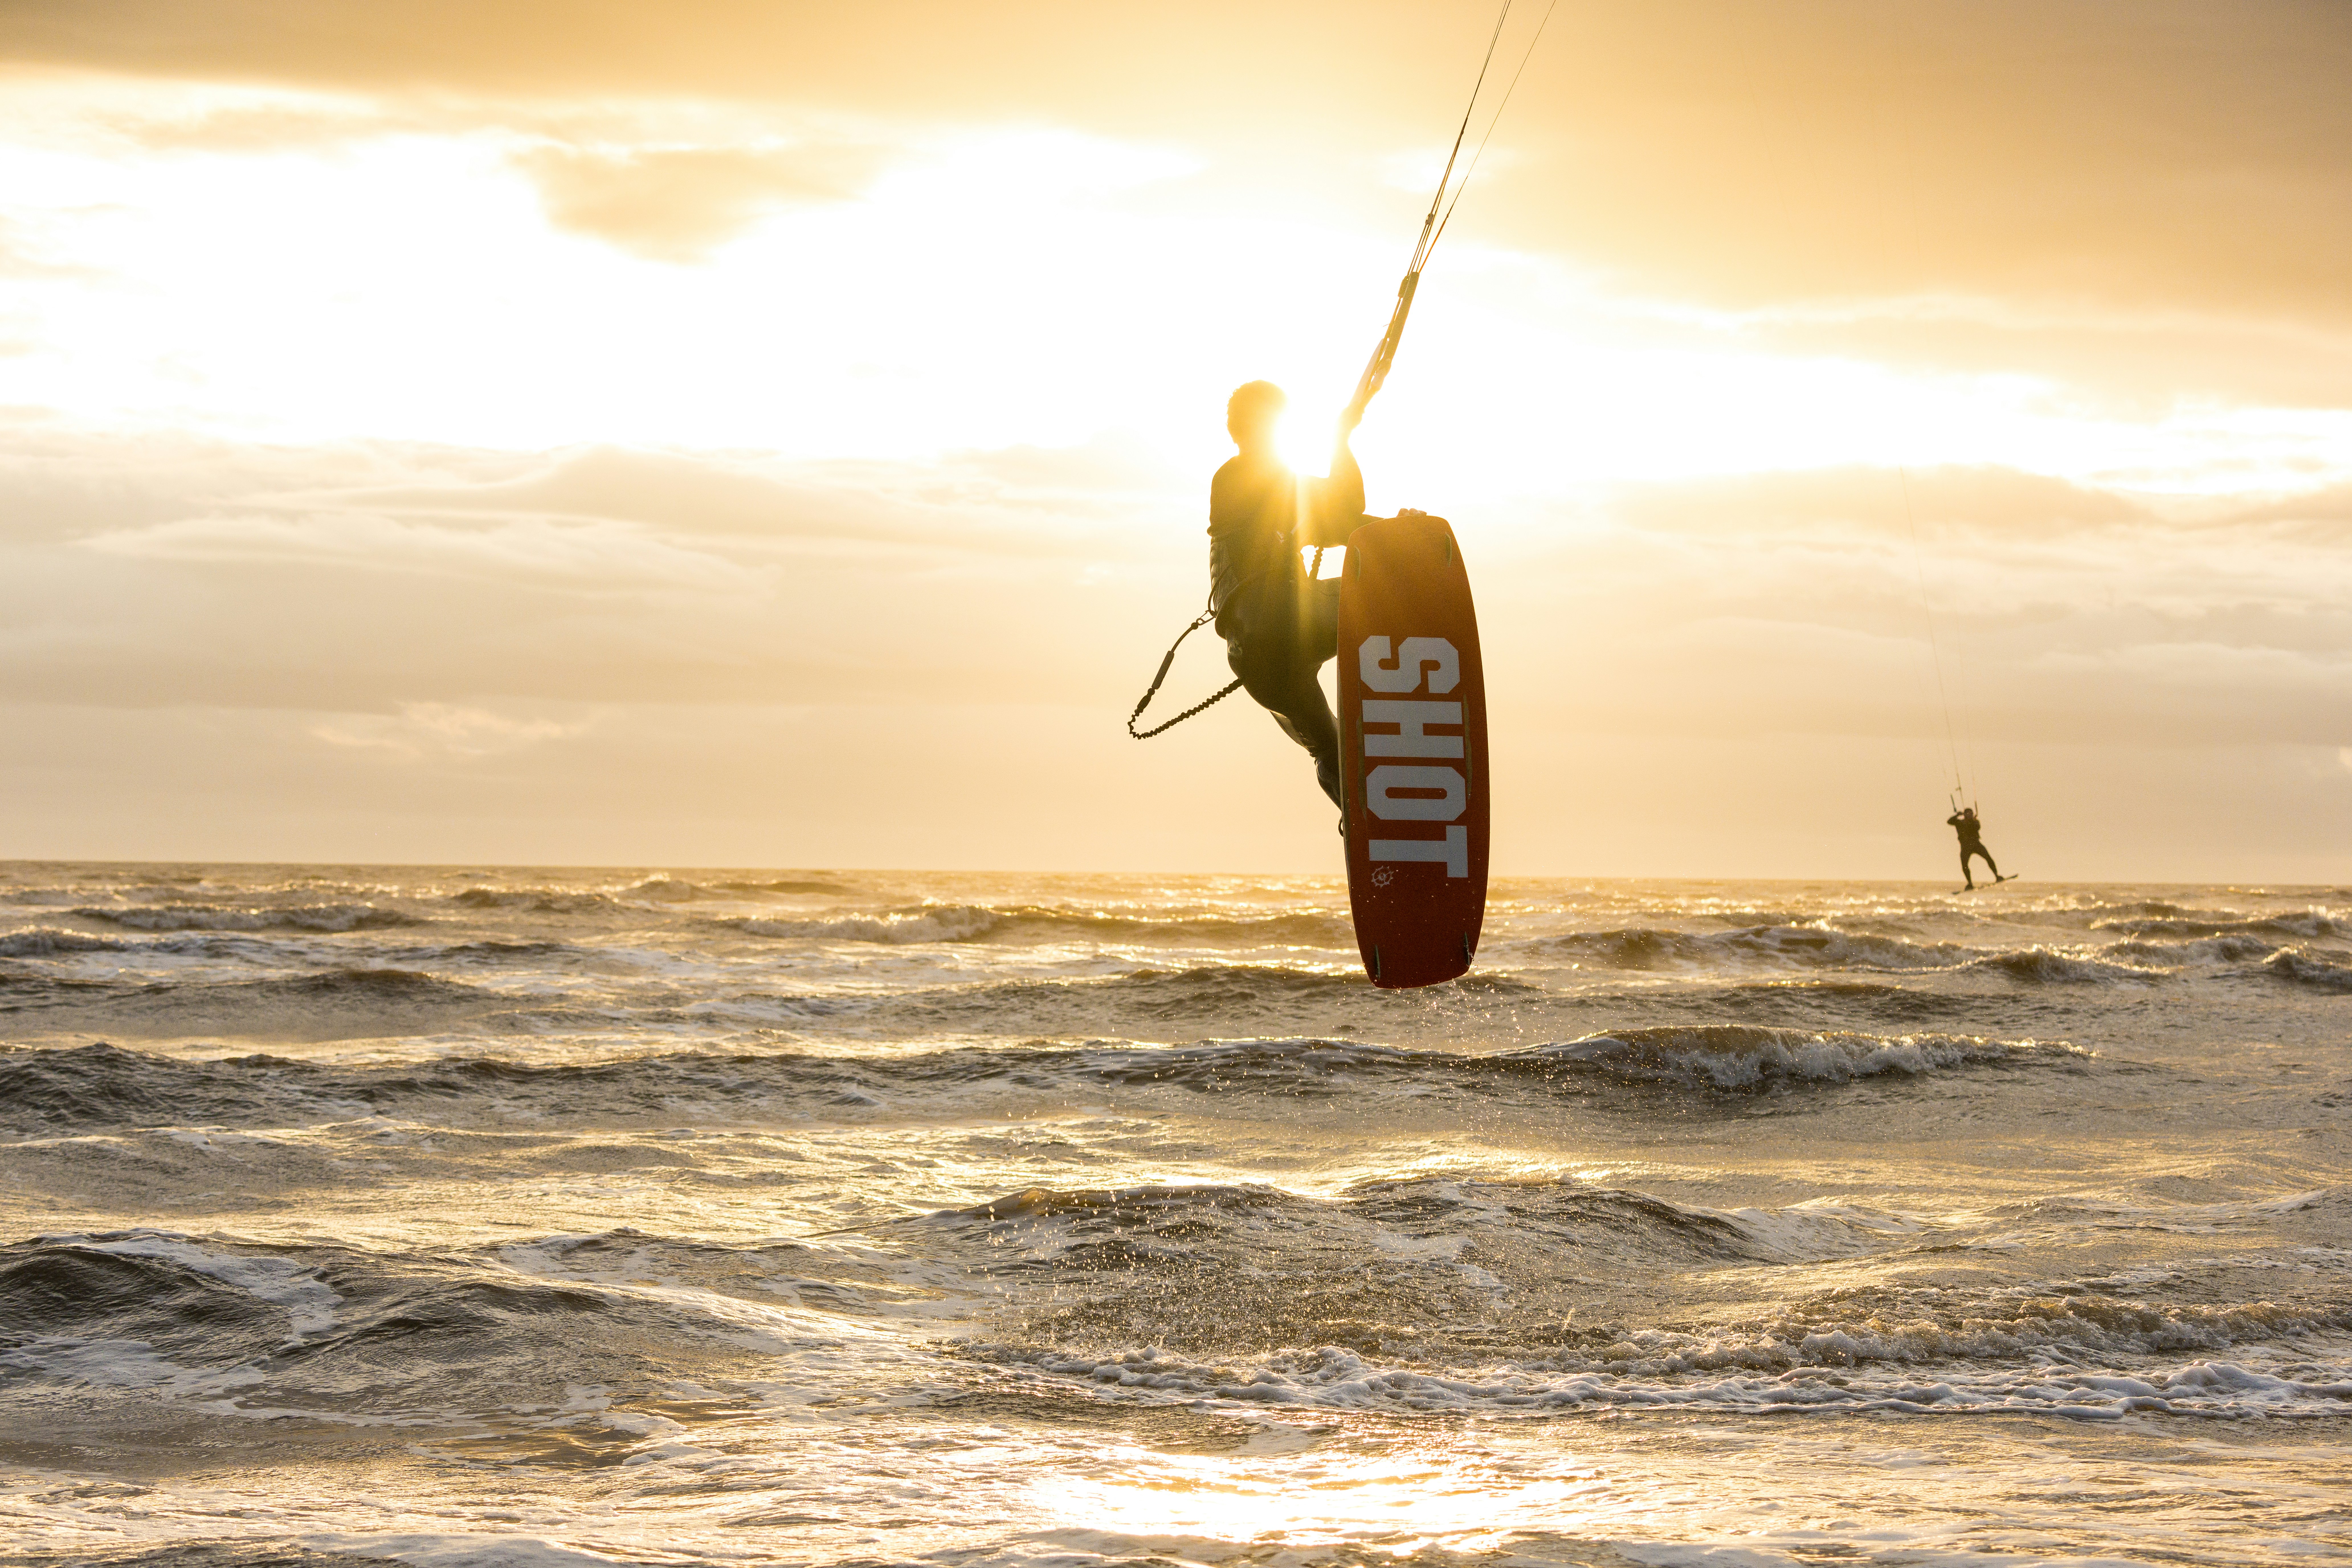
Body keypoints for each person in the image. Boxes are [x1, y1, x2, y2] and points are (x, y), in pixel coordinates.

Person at [1208, 381, 1371, 814]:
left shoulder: (1251, 484)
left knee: (1329, 748)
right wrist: (1341, 439)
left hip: (1257, 665)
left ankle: (1361, 823)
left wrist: (1394, 528)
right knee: (1377, 587)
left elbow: (1345, 517)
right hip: (1285, 625)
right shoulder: (1249, 479)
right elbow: (1349, 509)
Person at [1947, 804, 2002, 889]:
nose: (1969, 816)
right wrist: (1957, 815)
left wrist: (1972, 821)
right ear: (1964, 815)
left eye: (1971, 814)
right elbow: (1950, 822)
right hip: (1966, 847)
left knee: (1988, 858)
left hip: (1976, 845)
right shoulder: (1959, 823)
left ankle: (1997, 876)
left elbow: (1977, 827)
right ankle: (1970, 884)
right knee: (1965, 866)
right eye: (1967, 814)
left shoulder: (1975, 822)